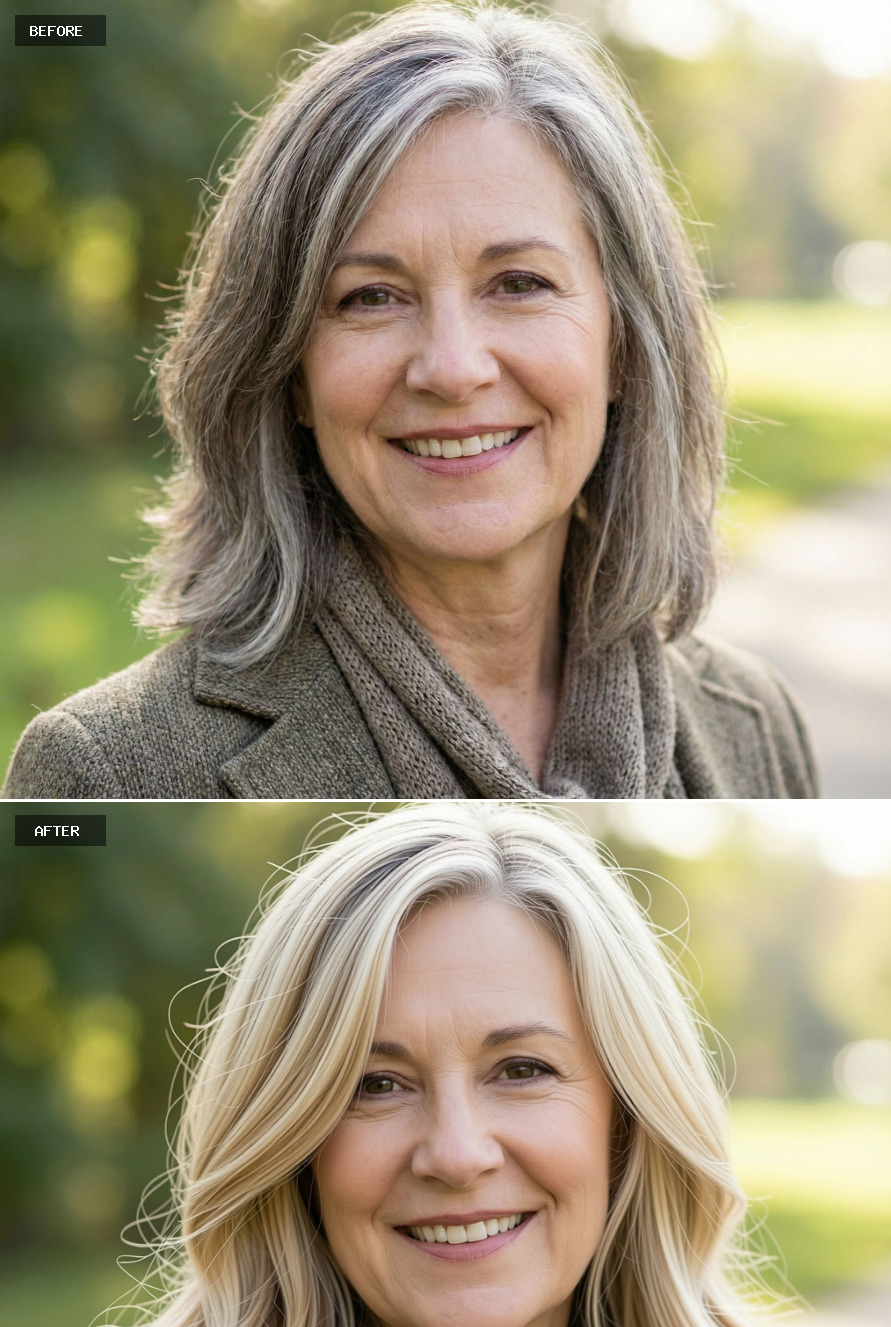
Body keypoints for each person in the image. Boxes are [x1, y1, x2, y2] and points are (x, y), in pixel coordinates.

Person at [8, 804, 851, 1327]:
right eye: (374, 1084)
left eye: (521, 1070)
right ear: (296, 1148)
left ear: (626, 1122)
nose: (455, 1153)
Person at [3, 4, 818, 801]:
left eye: (520, 283)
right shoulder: (106, 770)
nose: (453, 368)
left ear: (627, 347)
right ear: (288, 372)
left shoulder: (754, 722)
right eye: (371, 297)